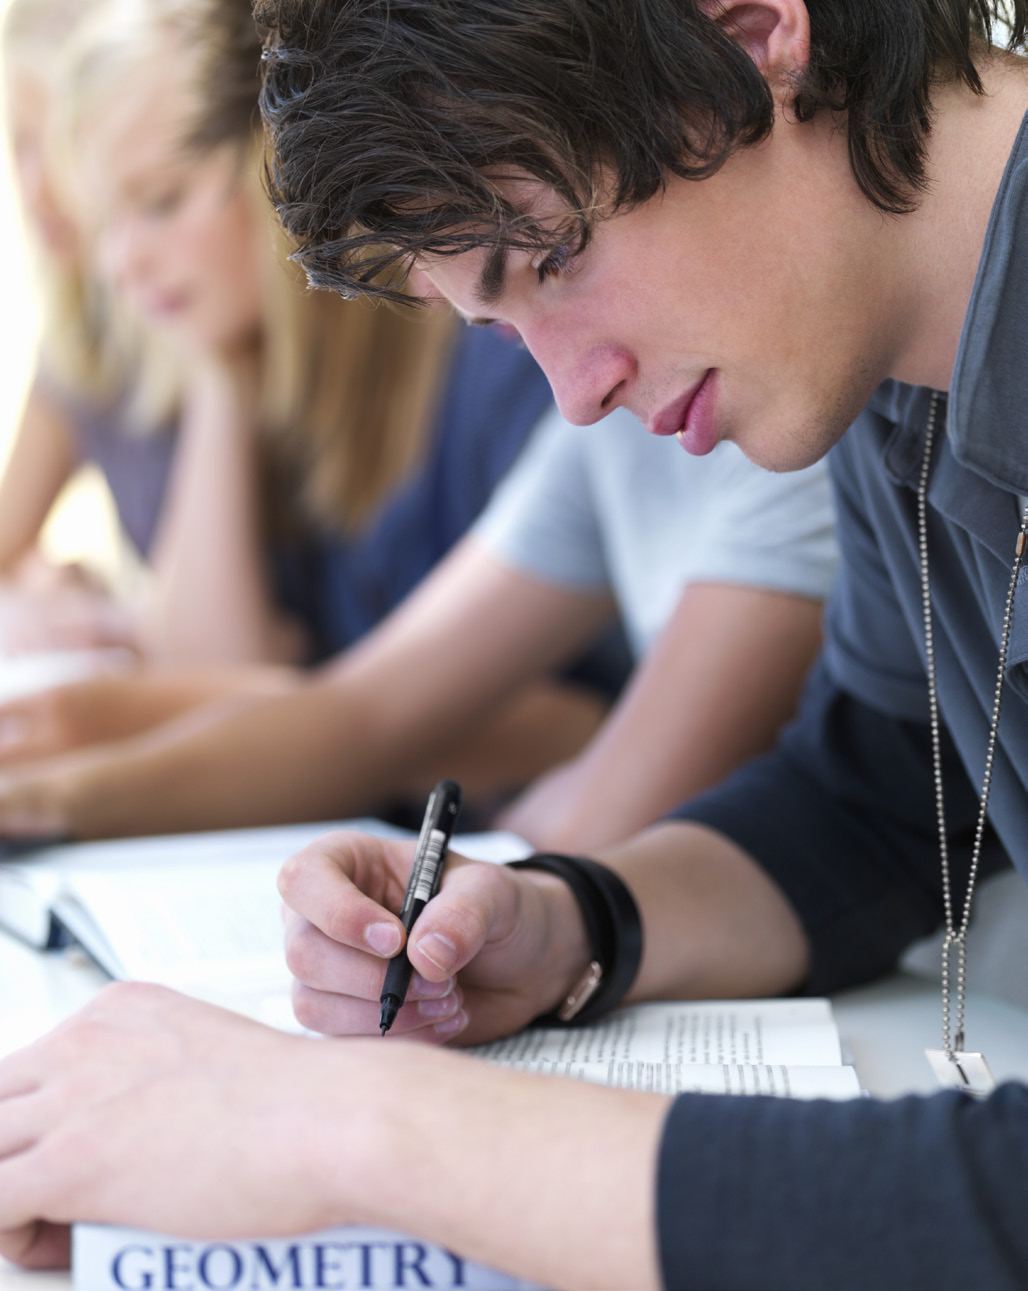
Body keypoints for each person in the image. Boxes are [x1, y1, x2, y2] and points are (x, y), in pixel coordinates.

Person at [4, 0, 1027, 1287]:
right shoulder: (893, 395)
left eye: (545, 260)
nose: (575, 396)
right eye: (501, 329)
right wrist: (566, 921)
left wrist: (342, 1126)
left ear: (753, 32)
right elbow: (875, 800)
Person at [0, 398, 833, 842]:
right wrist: (57, 798)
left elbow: (614, 806)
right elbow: (367, 708)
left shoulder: (797, 436)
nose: (563, 386)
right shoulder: (602, 423)